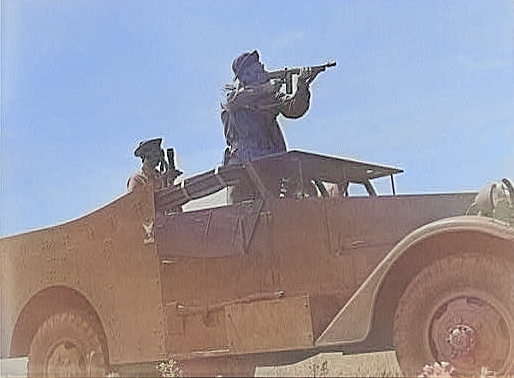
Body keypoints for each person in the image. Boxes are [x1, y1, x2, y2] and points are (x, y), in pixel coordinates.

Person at [221, 50, 318, 165]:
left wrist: (302, 85)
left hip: (270, 157)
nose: (262, 67)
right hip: (244, 159)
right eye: (256, 67)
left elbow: (293, 109)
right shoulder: (233, 98)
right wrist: (265, 89)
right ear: (247, 75)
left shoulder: (270, 96)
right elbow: (233, 102)